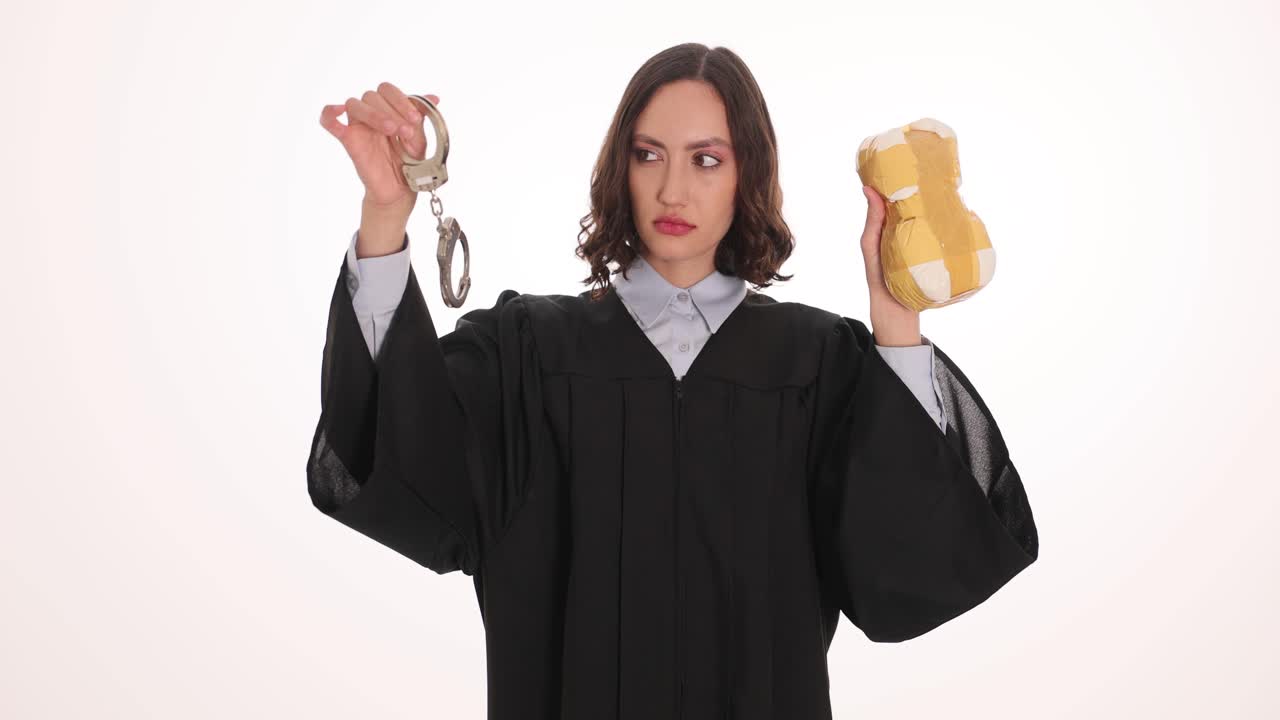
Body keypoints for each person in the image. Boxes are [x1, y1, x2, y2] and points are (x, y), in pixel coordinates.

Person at [309, 43, 1038, 720]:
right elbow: (408, 458)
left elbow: (901, 567)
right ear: (620, 167)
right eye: (649, 154)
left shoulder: (818, 364)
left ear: (747, 172)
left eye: (707, 160)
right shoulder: (528, 352)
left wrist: (896, 322)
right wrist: (385, 216)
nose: (673, 188)